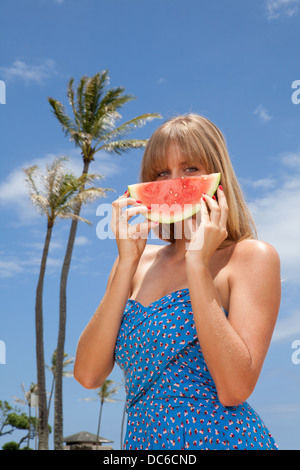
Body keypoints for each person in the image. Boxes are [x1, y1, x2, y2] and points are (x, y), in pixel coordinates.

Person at [74, 114, 281, 450]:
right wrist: (127, 262)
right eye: (160, 173)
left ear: (217, 176)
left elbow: (234, 388)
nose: (174, 184)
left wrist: (197, 265)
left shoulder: (250, 257)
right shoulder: (133, 263)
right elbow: (87, 375)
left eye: (190, 170)